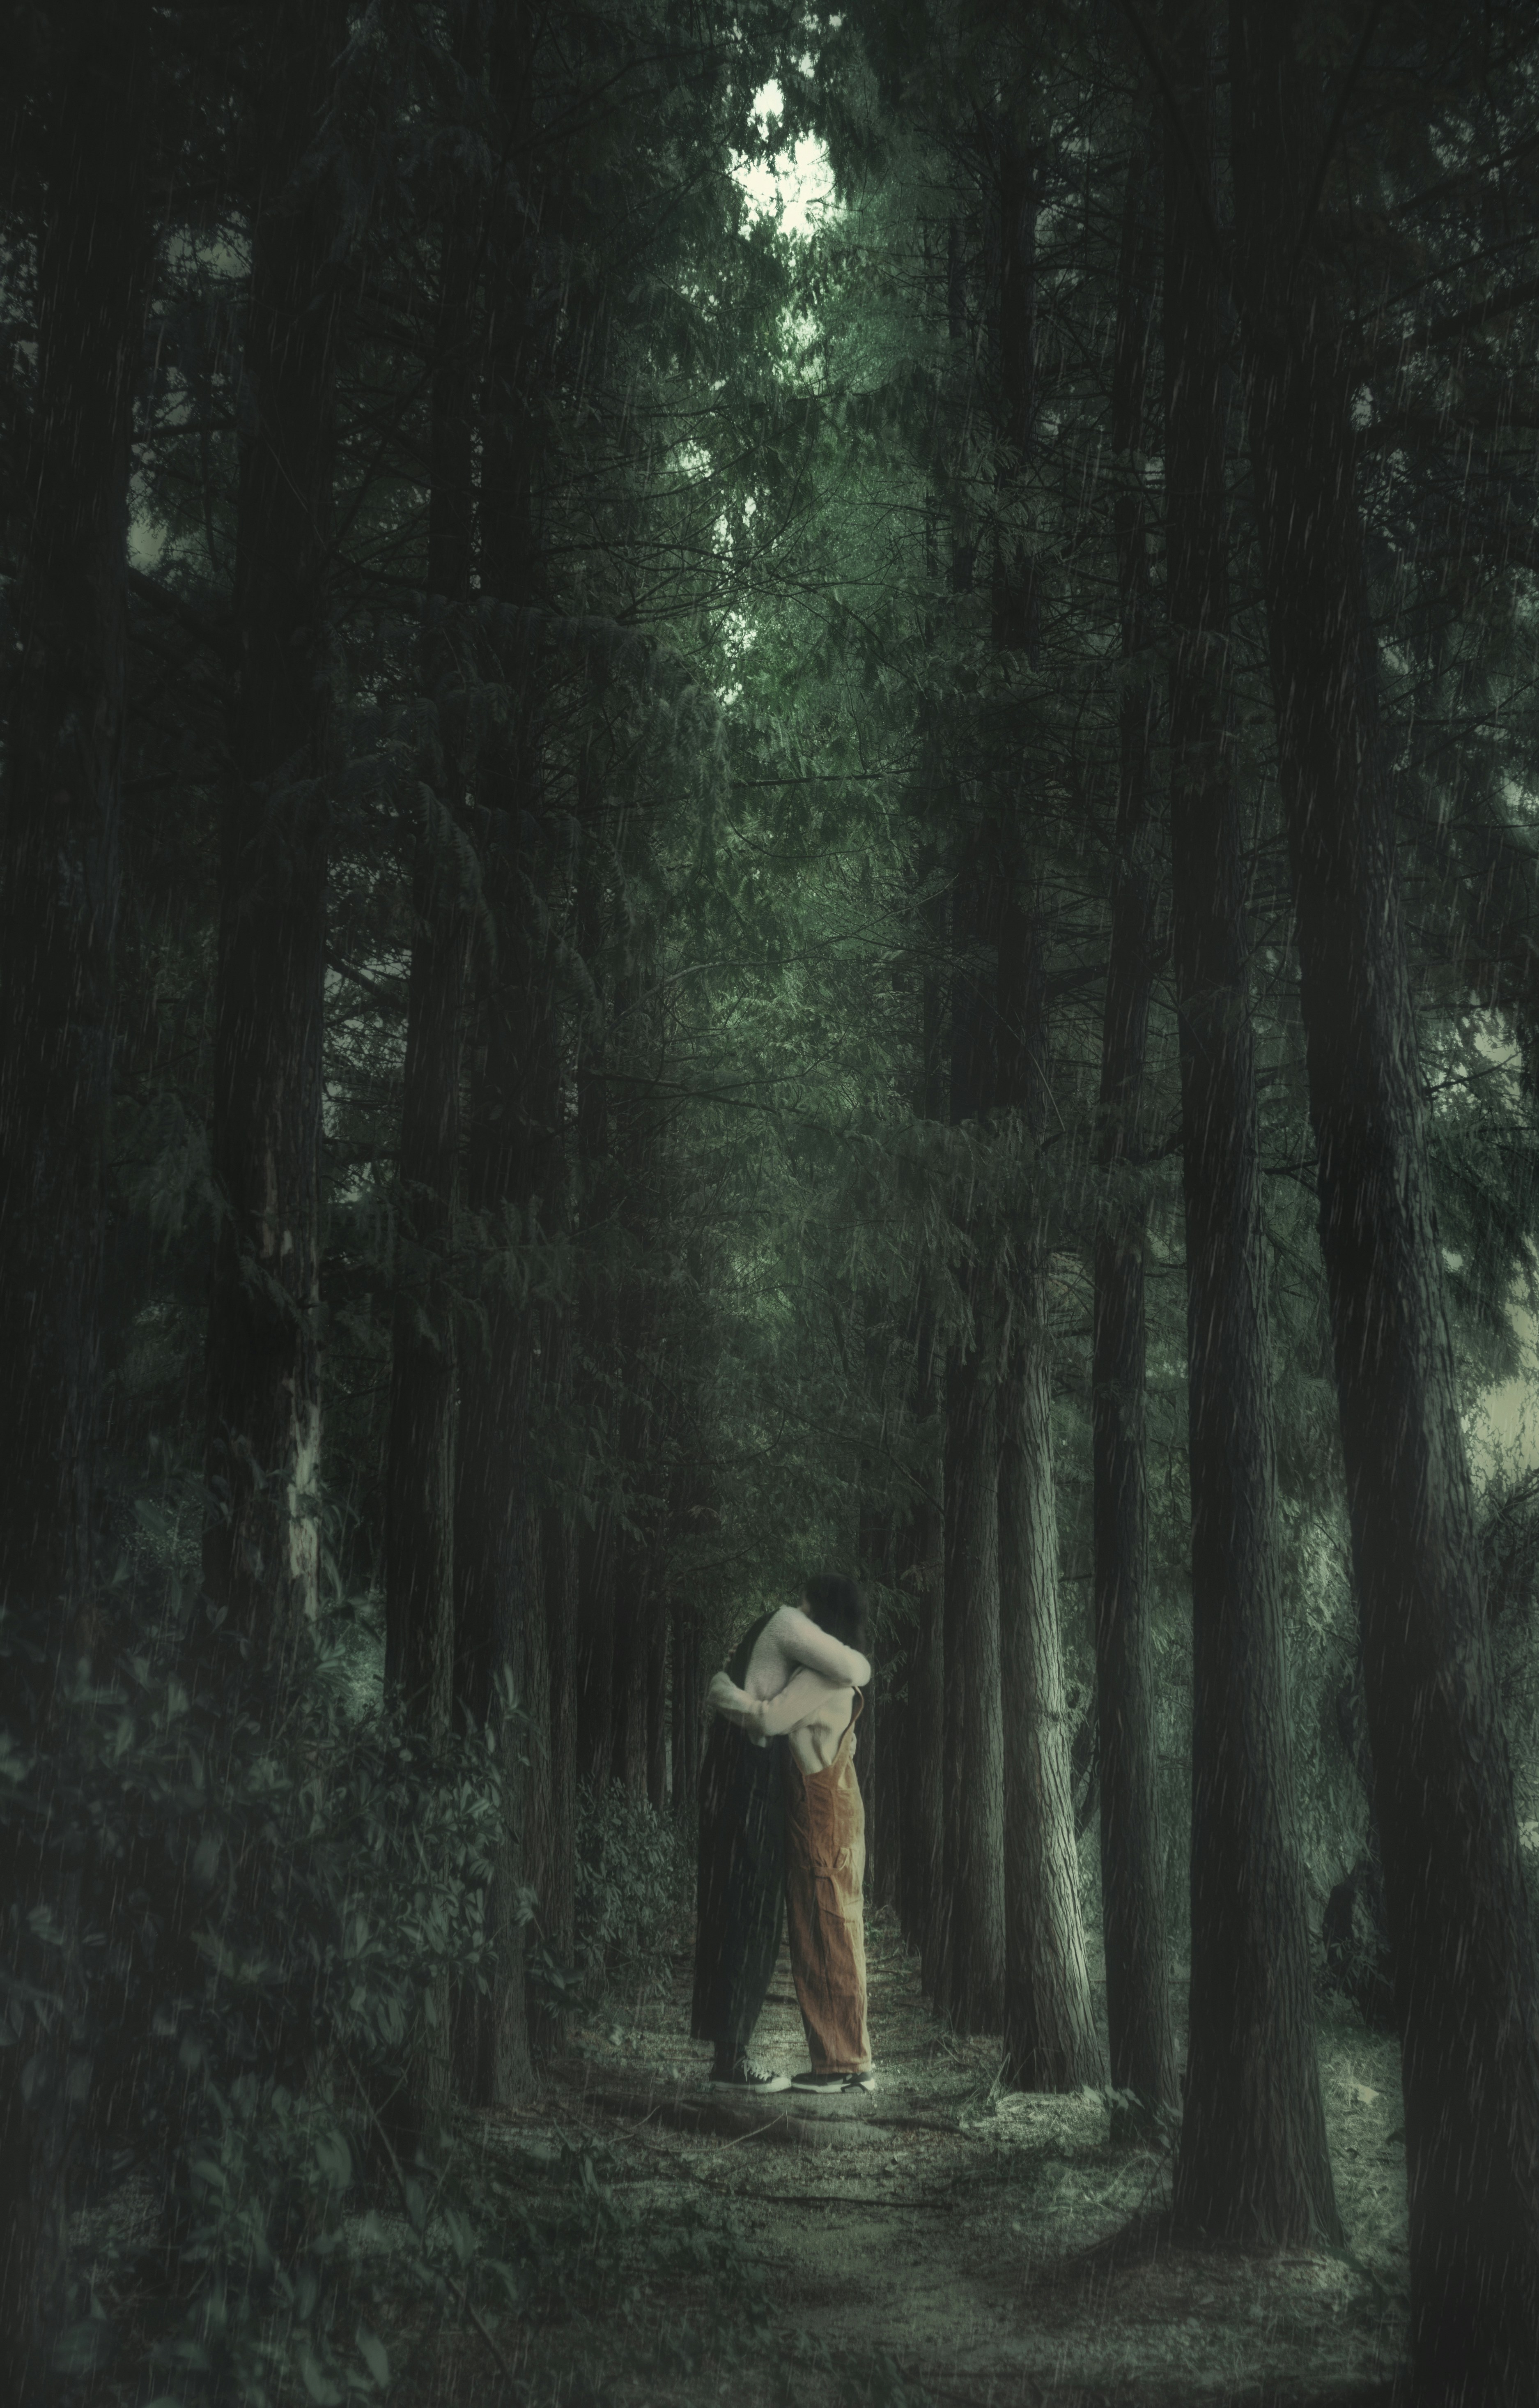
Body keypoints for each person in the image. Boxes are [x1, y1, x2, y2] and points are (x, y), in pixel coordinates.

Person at [691, 1580, 871, 2093]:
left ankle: (832, 2062)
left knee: (785, 1919)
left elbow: (847, 1674)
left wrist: (723, 1690)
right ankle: (758, 2057)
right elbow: (856, 1669)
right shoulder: (804, 1644)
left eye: (807, 1601)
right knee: (783, 1918)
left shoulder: (812, 1658)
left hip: (785, 1789)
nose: (798, 1609)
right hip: (788, 1789)